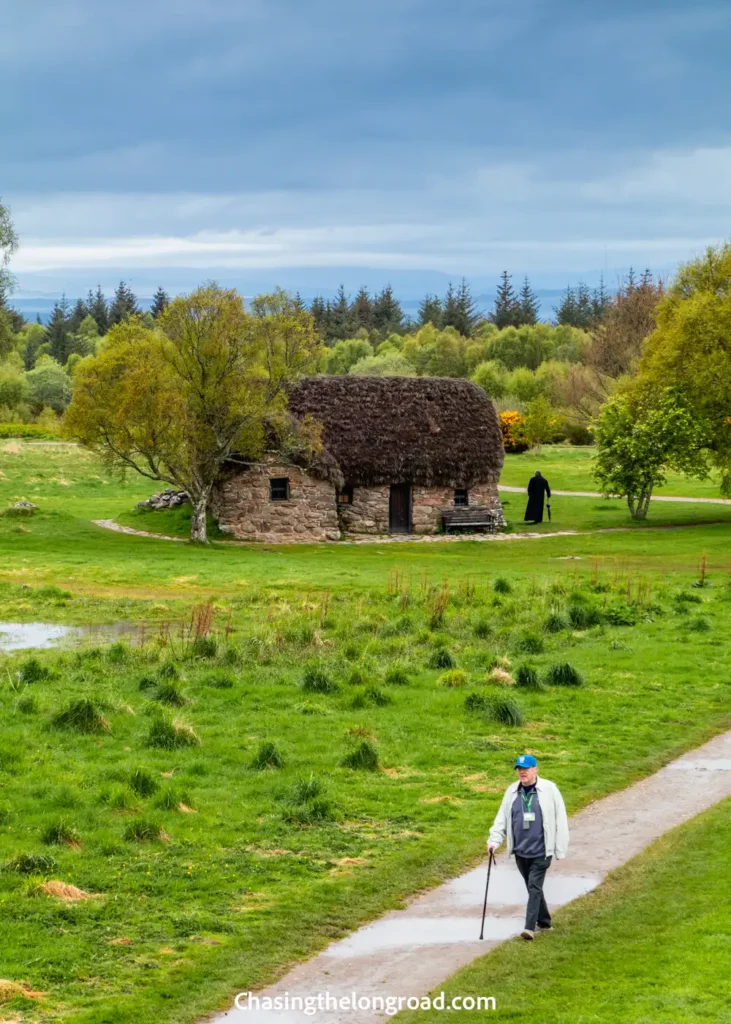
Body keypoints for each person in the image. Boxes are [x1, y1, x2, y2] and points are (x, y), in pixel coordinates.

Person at [487, 753, 569, 941]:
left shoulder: (549, 789)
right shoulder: (512, 792)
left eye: (526, 769)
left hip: (541, 850)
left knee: (533, 886)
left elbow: (560, 820)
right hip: (521, 851)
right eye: (519, 769)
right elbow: (502, 819)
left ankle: (529, 927)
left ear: (535, 769)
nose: (522, 772)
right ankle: (545, 922)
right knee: (533, 888)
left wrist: (560, 848)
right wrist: (494, 841)